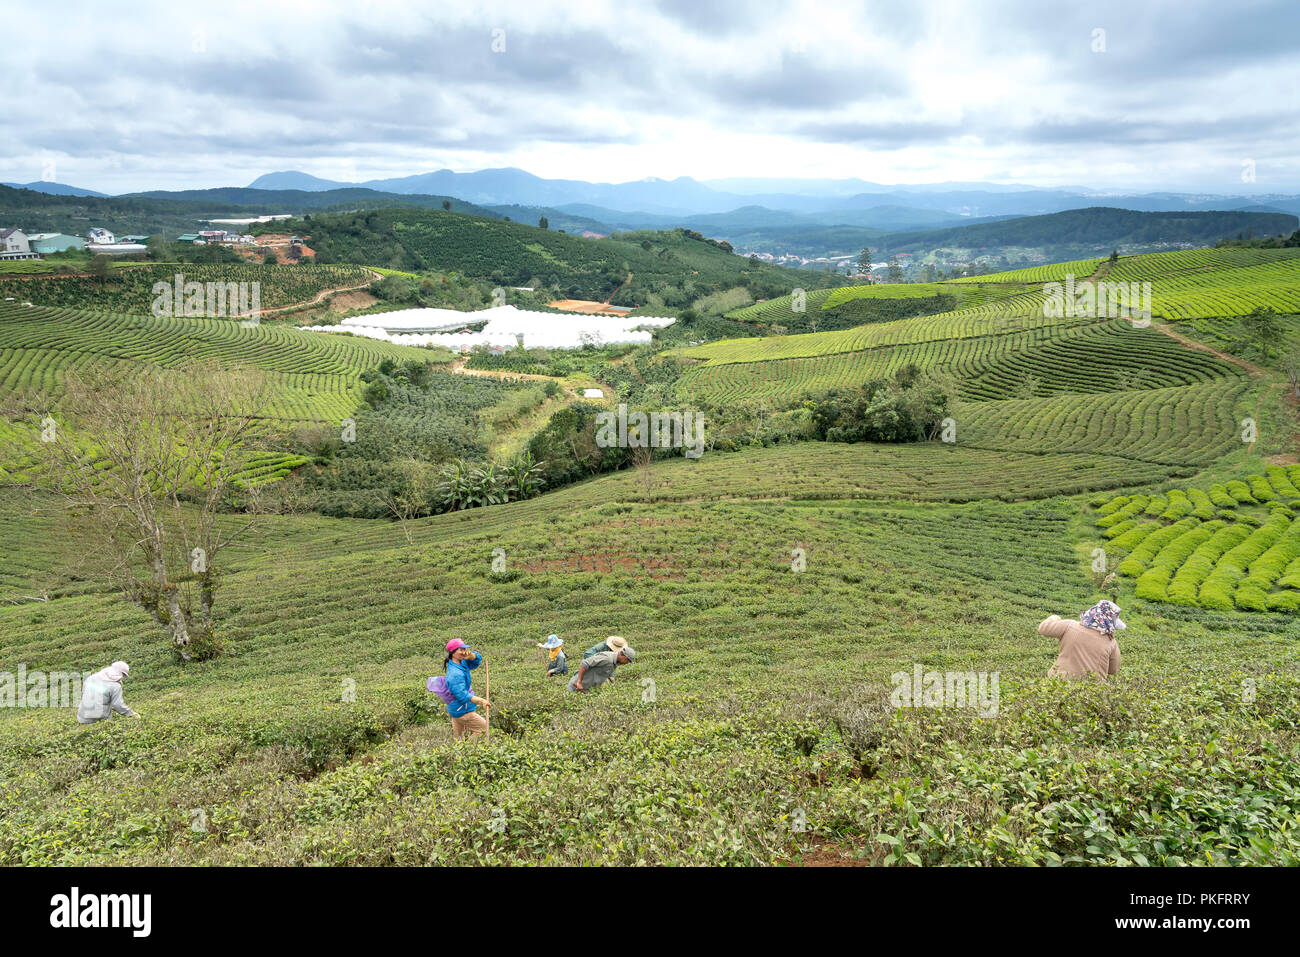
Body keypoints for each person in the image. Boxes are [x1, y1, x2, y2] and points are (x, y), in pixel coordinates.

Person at [1038, 600, 1124, 680]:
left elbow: (1043, 628)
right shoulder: (1111, 642)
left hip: (1057, 682)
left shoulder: (1069, 626)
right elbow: (1113, 670)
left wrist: (1054, 618)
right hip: (1091, 690)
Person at [444, 639, 490, 739]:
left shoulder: (462, 662)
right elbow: (461, 695)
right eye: (461, 650)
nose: (464, 652)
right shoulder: (454, 674)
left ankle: (459, 752)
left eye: (465, 649)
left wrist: (473, 656)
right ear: (453, 652)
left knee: (458, 739)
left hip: (456, 709)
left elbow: (475, 663)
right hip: (462, 710)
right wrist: (481, 701)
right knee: (484, 729)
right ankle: (468, 750)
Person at [569, 645, 635, 692]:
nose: (627, 663)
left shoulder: (615, 662)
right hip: (576, 687)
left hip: (587, 689)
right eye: (627, 661)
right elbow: (585, 663)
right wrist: (579, 682)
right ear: (623, 656)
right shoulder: (606, 658)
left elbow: (605, 671)